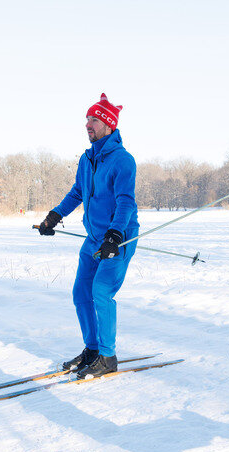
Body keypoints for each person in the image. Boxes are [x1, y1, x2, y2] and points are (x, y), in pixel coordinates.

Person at [36, 94, 139, 378]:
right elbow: (77, 192)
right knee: (81, 293)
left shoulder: (123, 160)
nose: (88, 124)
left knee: (101, 292)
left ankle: (107, 356)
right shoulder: (87, 158)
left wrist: (115, 235)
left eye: (94, 119)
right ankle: (92, 350)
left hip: (119, 238)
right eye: (87, 119)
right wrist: (55, 215)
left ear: (108, 124)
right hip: (94, 238)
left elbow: (126, 202)